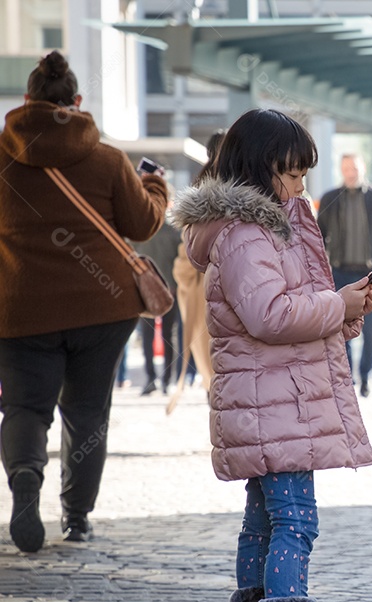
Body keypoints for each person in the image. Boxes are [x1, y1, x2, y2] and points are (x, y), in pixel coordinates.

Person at [170, 108, 372, 602]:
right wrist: (336, 305)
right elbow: (272, 315)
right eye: (292, 175)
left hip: (273, 399)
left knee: (261, 526)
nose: (300, 187)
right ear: (262, 170)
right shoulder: (248, 234)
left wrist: (344, 308)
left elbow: (295, 307)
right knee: (294, 523)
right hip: (275, 402)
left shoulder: (262, 226)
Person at [0, 52, 167, 552]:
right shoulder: (108, 159)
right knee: (87, 413)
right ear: (75, 102)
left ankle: (26, 477)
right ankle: (76, 517)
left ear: (26, 101)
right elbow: (141, 225)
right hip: (102, 308)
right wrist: (154, 185)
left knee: (25, 408)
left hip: (19, 308)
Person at [317, 154, 372, 397]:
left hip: (370, 274)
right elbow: (317, 238)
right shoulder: (330, 198)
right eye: (345, 168)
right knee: (342, 330)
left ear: (362, 168)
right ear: (341, 170)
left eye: (354, 167)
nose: (350, 172)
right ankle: (348, 379)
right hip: (340, 273)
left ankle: (366, 376)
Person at [172, 129, 224, 396]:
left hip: (201, 294)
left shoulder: (197, 192)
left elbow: (185, 255)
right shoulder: (242, 193)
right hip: (217, 293)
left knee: (216, 383)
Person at [136, 222, 182, 395]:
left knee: (147, 336)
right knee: (169, 335)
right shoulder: (174, 233)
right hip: (170, 290)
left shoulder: (141, 232)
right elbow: (181, 261)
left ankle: (150, 378)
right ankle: (166, 380)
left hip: (145, 291)